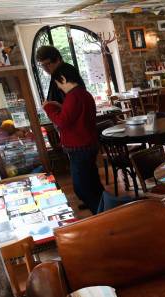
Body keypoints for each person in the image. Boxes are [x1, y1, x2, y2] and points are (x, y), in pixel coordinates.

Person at [42, 63, 103, 214]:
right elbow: (75, 116)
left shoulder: (73, 96)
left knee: (81, 187)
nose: (58, 86)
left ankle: (100, 214)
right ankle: (104, 207)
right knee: (92, 182)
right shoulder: (84, 94)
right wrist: (60, 106)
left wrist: (48, 107)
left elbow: (62, 122)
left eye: (57, 82)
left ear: (62, 78)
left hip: (79, 147)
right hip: (89, 144)